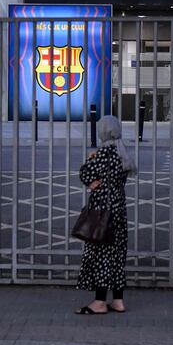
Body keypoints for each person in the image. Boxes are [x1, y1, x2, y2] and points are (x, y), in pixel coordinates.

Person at [75, 116, 135, 315]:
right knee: (117, 254)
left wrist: (90, 160)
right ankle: (118, 300)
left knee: (101, 254)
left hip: (102, 211)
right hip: (119, 209)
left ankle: (100, 302)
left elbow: (85, 174)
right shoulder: (122, 154)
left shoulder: (102, 154)